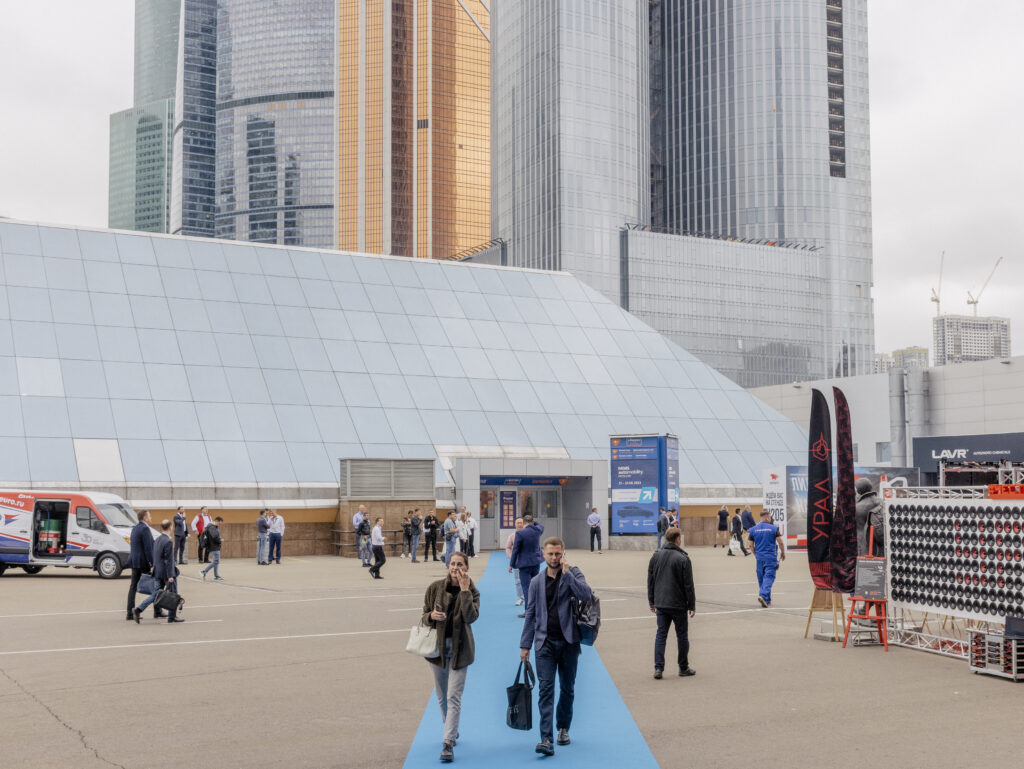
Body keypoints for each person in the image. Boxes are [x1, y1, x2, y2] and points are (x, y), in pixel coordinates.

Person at [519, 538, 594, 756]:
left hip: (569, 642)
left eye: (558, 554)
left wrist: (568, 574)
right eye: (550, 554)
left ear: (563, 554)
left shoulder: (574, 574)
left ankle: (563, 728)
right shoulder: (536, 582)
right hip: (545, 644)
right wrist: (525, 645)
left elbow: (586, 595)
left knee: (567, 688)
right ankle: (546, 738)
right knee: (545, 689)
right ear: (543, 554)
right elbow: (531, 613)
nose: (554, 558)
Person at [422, 551, 480, 763]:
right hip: (437, 649)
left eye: (460, 564)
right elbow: (424, 615)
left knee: (454, 695)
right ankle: (451, 728)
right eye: (452, 563)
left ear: (466, 568)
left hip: (460, 649)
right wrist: (431, 616)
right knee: (442, 695)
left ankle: (448, 742)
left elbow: (471, 617)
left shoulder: (472, 591)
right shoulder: (435, 588)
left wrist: (464, 591)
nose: (455, 567)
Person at [647, 527, 696, 678]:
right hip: (678, 604)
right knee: (682, 636)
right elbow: (688, 585)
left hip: (661, 602)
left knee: (661, 635)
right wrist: (691, 605)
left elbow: (650, 580)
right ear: (677, 540)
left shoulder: (656, 556)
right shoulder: (683, 558)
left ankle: (658, 668)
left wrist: (651, 600)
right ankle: (683, 667)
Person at [134, 520, 184, 623]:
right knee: (173, 593)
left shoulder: (157, 539)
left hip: (157, 571)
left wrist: (154, 567)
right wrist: (170, 575)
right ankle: (172, 616)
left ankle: (139, 609)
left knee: (156, 594)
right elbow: (169, 560)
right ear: (170, 527)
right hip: (166, 573)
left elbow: (155, 556)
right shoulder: (168, 541)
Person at [510, 514, 544, 619]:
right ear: (532, 522)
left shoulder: (520, 533)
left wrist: (512, 564)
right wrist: (533, 522)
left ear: (524, 523)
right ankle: (536, 610)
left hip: (524, 564)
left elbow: (515, 550)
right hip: (536, 563)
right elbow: (540, 525)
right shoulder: (538, 530)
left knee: (526, 588)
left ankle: (528, 611)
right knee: (535, 586)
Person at [748, 510, 785, 607]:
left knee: (762, 579)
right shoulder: (773, 528)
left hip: (759, 558)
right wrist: (783, 553)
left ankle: (766, 600)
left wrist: (756, 555)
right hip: (770, 557)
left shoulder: (753, 529)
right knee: (769, 577)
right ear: (767, 518)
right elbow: (780, 542)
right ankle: (763, 595)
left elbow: (751, 545)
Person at [126, 509, 154, 621]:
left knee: (133, 587)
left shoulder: (135, 528)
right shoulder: (145, 529)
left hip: (134, 561)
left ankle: (129, 613)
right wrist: (152, 564)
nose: (151, 517)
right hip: (143, 562)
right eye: (149, 516)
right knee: (157, 585)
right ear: (145, 518)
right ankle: (157, 610)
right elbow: (148, 549)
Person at [855, 478, 885, 557]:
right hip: (882, 545)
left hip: (865, 547)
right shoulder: (882, 502)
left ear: (858, 490)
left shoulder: (857, 507)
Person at [506, 517, 525, 606]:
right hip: (517, 561)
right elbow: (508, 548)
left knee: (530, 580)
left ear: (524, 524)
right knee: (518, 581)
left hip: (527, 562)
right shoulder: (512, 536)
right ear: (515, 524)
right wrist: (511, 557)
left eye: (521, 523)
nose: (519, 524)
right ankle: (520, 598)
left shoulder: (528, 535)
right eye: (518, 523)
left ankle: (529, 598)